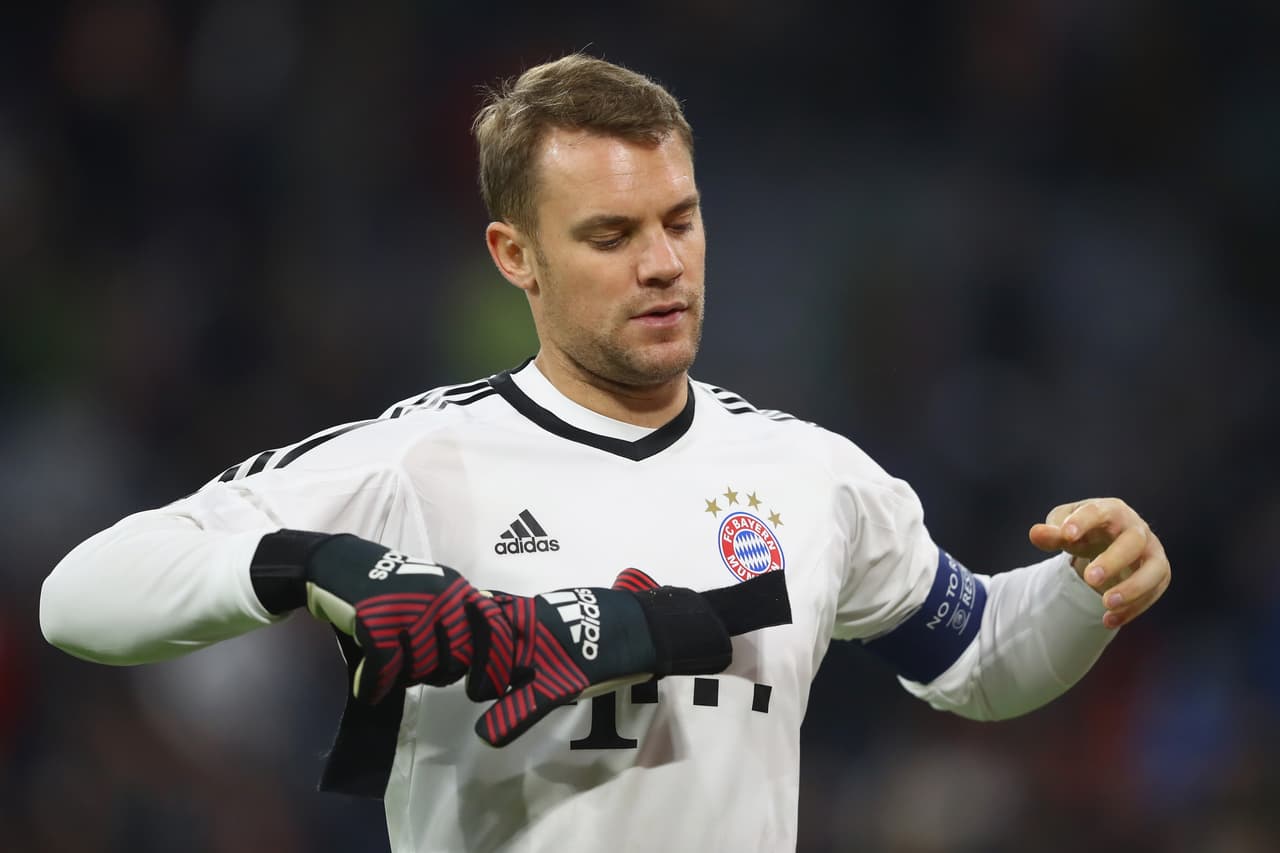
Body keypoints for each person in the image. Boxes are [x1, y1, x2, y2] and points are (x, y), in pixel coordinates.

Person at [39, 53, 1171, 852]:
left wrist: (1085, 591)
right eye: (610, 234)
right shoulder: (412, 463)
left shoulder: (811, 475)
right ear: (513, 254)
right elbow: (76, 598)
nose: (663, 263)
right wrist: (309, 566)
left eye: (678, 219)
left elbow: (974, 654)